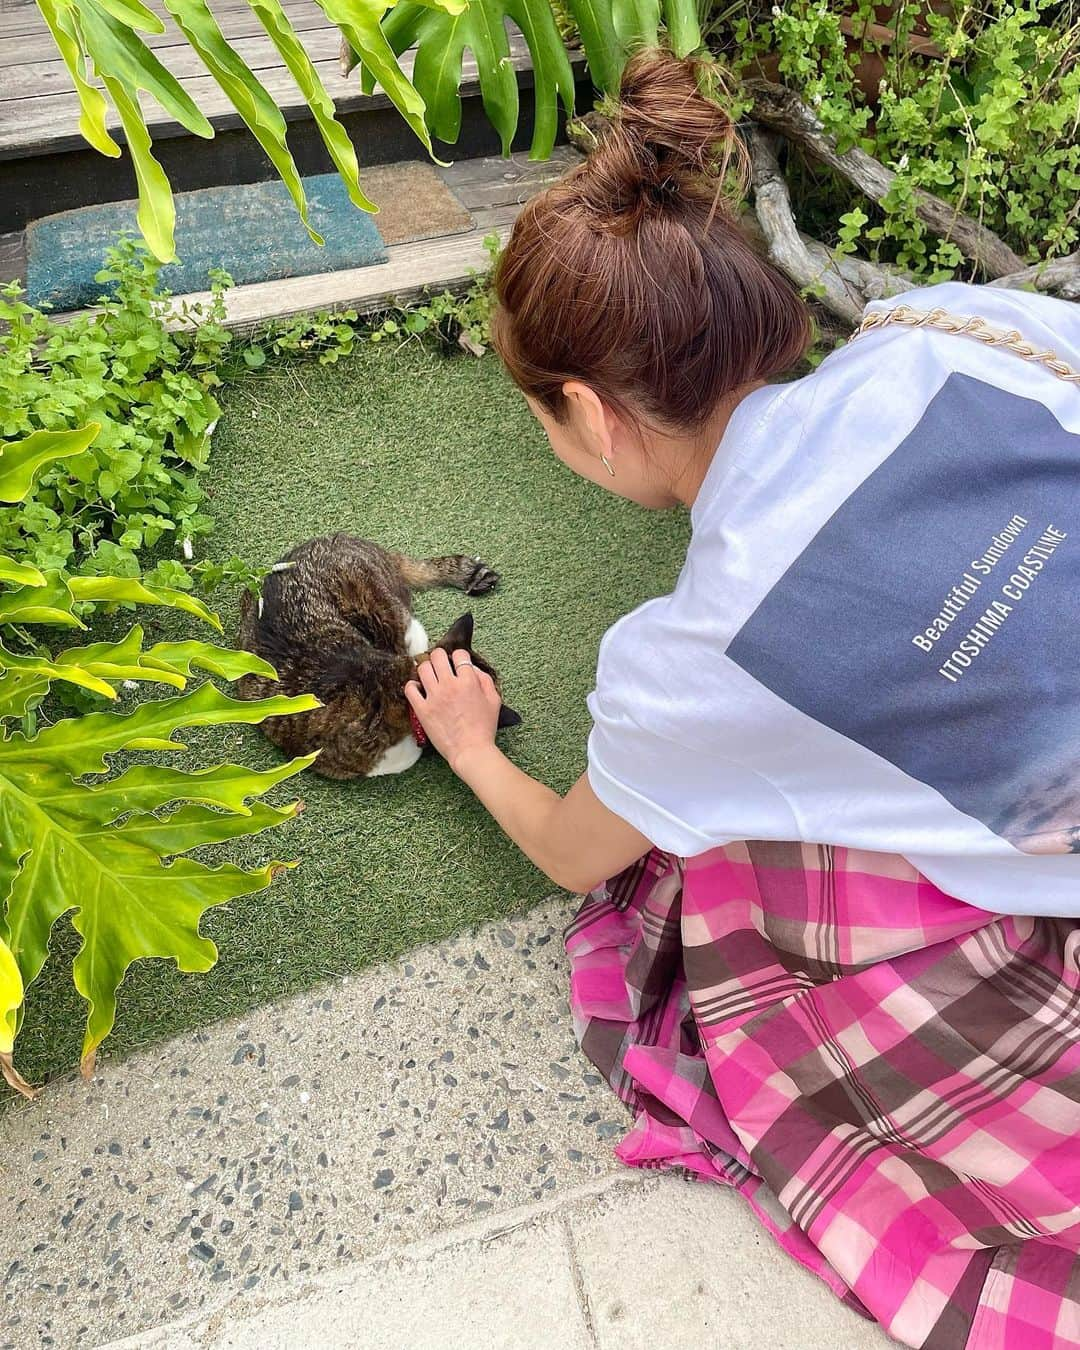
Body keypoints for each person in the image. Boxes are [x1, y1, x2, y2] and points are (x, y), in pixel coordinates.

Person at [404, 46, 1080, 1349]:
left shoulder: (696, 658)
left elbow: (572, 851)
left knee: (718, 878)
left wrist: (473, 744)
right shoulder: (951, 329)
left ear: (593, 419)